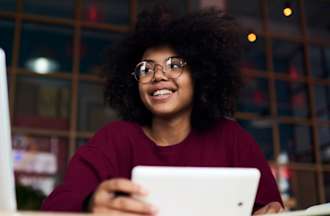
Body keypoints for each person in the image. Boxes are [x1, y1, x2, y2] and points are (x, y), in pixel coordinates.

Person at [42, 6, 284, 215]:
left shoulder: (231, 138)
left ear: (199, 75)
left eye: (175, 65)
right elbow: (54, 206)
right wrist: (88, 207)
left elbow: (272, 208)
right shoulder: (114, 139)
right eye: (146, 69)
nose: (158, 75)